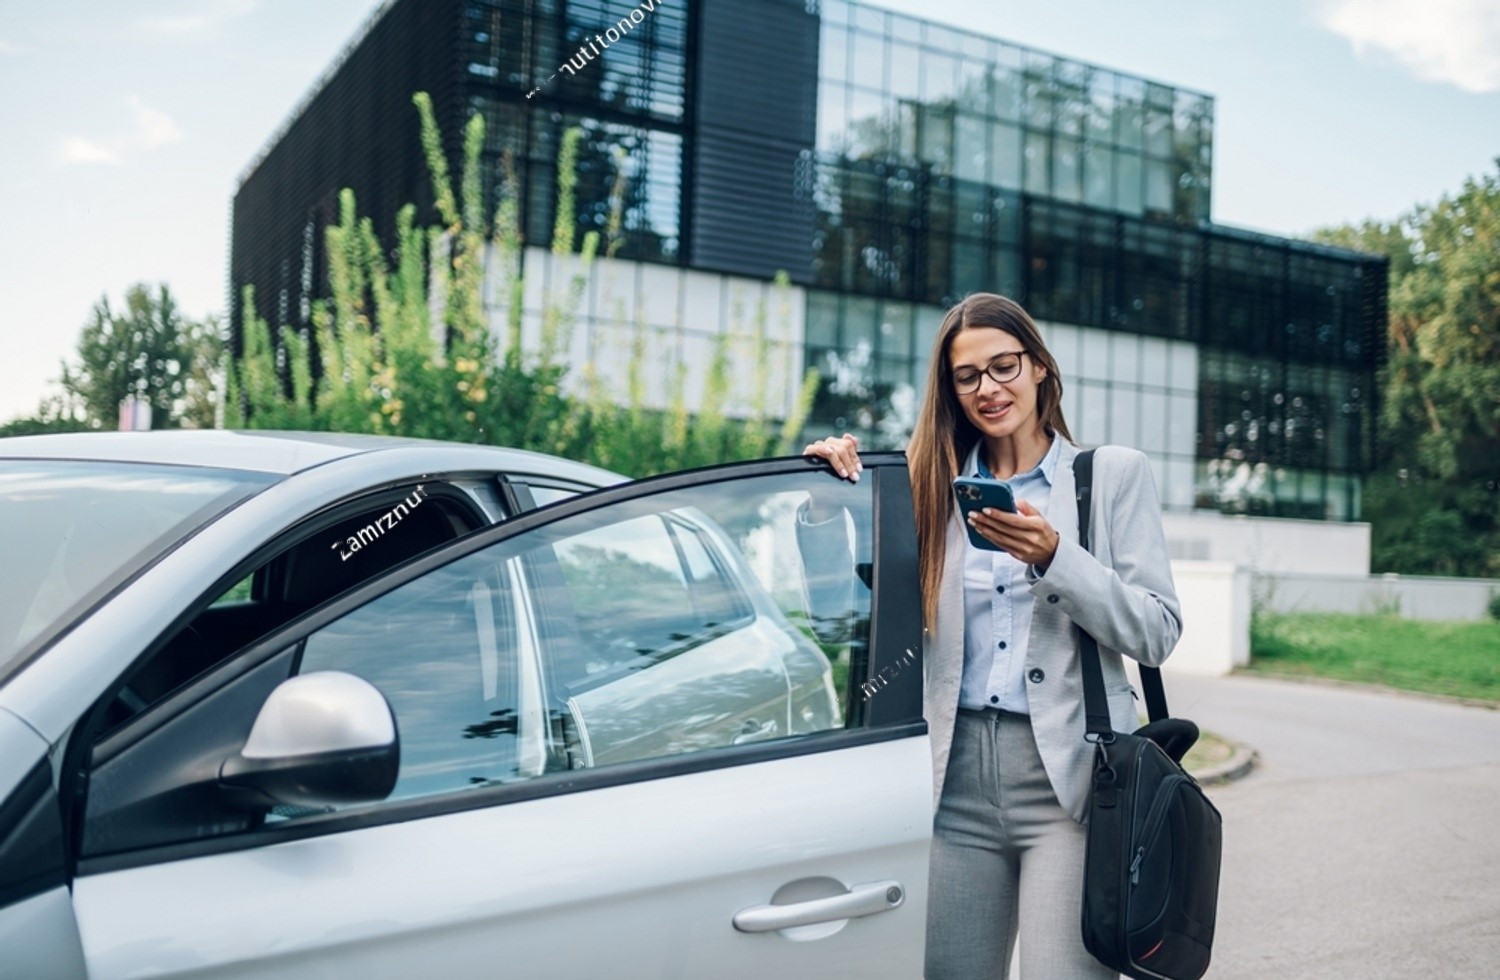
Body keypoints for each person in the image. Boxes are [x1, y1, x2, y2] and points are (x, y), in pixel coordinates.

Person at [802, 292, 1182, 979]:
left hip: (1072, 788)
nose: (989, 388)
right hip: (951, 785)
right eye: (967, 375)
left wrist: (1054, 557)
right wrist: (826, 512)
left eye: (1003, 366)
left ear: (1039, 367)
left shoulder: (1111, 476)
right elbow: (836, 624)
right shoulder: (925, 487)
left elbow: (1155, 631)